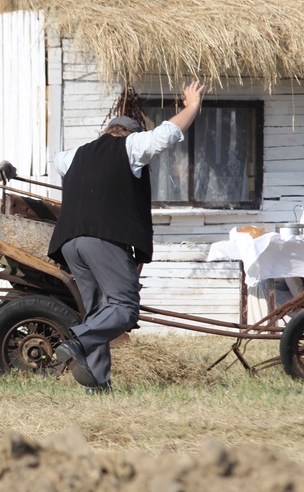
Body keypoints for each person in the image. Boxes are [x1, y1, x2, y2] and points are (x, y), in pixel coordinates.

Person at [48, 81, 205, 394]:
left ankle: (98, 384)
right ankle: (78, 340)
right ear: (129, 133)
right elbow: (167, 135)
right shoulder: (131, 147)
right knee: (124, 307)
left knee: (98, 311)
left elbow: (58, 162)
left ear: (107, 130)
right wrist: (192, 107)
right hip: (102, 237)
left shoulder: (73, 156)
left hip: (70, 243)